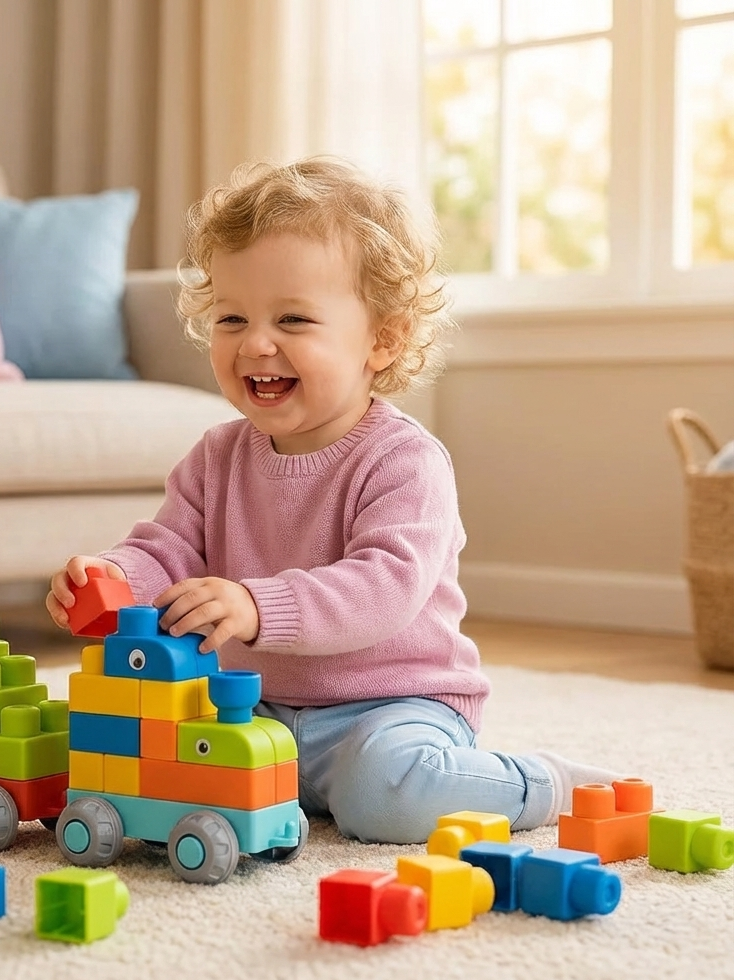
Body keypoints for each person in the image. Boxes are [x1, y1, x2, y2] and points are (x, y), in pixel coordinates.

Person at [47, 156, 617, 844]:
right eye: (232, 318)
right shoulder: (216, 457)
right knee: (119, 754)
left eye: (293, 319)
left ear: (383, 339)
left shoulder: (404, 460)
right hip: (250, 711)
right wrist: (112, 577)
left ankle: (545, 783)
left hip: (388, 710)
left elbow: (383, 588)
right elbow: (166, 550)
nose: (256, 343)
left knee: (384, 796)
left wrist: (258, 605)